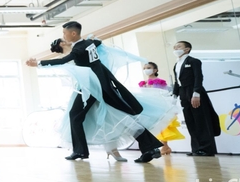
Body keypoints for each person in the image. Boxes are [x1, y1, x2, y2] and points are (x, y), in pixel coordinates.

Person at [26, 22, 163, 163]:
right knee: (122, 116)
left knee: (75, 115)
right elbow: (97, 42)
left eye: (64, 33)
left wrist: (38, 64)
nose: (64, 36)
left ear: (73, 33)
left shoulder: (78, 48)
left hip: (91, 87)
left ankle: (80, 151)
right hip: (104, 84)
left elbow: (63, 60)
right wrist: (95, 39)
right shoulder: (88, 43)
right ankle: (151, 148)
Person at [172, 41, 220, 156]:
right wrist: (174, 95)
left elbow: (198, 77)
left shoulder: (194, 61)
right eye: (175, 47)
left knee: (201, 120)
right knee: (190, 121)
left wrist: (196, 93)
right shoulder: (177, 64)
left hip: (193, 91)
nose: (176, 49)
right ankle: (196, 148)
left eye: (179, 46)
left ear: (187, 49)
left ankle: (206, 148)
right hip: (183, 93)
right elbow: (177, 81)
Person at [139, 62, 184, 155]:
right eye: (144, 68)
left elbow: (165, 94)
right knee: (153, 127)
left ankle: (165, 146)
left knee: (163, 126)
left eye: (149, 68)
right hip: (149, 107)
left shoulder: (159, 82)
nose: (146, 70)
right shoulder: (143, 83)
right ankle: (161, 147)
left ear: (155, 70)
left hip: (159, 106)